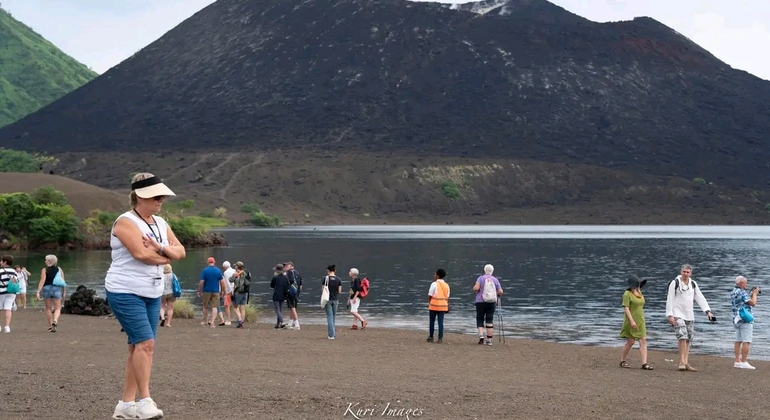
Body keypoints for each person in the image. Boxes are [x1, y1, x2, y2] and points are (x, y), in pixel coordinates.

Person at [105, 172, 186, 419]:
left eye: (162, 197)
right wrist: (166, 256)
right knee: (145, 344)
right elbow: (141, 254)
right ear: (140, 196)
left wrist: (161, 248)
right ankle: (145, 401)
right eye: (156, 197)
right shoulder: (125, 222)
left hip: (152, 292)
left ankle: (126, 405)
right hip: (124, 290)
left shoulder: (160, 223)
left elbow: (181, 251)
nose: (161, 201)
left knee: (137, 347)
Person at [665, 264, 715, 372]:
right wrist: (670, 315)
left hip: (689, 314)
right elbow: (670, 299)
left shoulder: (693, 284)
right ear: (681, 271)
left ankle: (686, 362)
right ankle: (681, 362)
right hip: (677, 313)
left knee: (688, 338)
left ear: (690, 273)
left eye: (687, 272)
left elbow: (700, 297)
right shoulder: (675, 283)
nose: (685, 274)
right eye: (684, 272)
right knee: (682, 337)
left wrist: (708, 312)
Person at [619, 275, 653, 370]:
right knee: (631, 341)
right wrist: (631, 321)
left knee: (643, 340)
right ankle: (623, 360)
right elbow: (626, 308)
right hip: (630, 320)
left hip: (640, 319)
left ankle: (644, 363)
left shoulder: (639, 292)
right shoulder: (627, 294)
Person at [731, 275, 759, 369]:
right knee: (746, 340)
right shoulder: (742, 292)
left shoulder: (734, 291)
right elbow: (753, 303)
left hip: (736, 318)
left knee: (738, 340)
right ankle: (744, 361)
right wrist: (755, 294)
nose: (746, 285)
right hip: (745, 319)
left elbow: (744, 301)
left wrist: (750, 296)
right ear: (742, 283)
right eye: (745, 283)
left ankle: (737, 361)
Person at [472, 264, 503, 346]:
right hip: (491, 302)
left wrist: (475, 290)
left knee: (480, 319)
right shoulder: (495, 280)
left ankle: (481, 336)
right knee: (489, 320)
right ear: (492, 271)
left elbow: (476, 288)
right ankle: (489, 340)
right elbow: (500, 291)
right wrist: (494, 293)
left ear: (484, 270)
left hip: (480, 302)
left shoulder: (480, 278)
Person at [36, 254, 66, 332]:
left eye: (46, 260)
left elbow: (42, 280)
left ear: (49, 261)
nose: (45, 261)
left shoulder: (44, 270)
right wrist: (64, 291)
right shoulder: (59, 269)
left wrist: (38, 291)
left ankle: (50, 326)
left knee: (48, 308)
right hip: (57, 288)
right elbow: (63, 281)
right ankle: (55, 321)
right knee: (57, 308)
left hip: (47, 288)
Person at [197, 257, 225, 328]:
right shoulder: (218, 271)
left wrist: (199, 290)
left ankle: (206, 321)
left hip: (206, 290)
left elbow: (202, 281)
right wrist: (222, 291)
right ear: (214, 262)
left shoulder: (205, 271)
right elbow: (222, 282)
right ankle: (212, 322)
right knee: (215, 307)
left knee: (205, 306)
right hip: (216, 291)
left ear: (208, 262)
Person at [427, 268, 449, 343]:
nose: (434, 275)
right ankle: (440, 338)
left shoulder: (434, 284)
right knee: (440, 322)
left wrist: (429, 302)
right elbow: (447, 297)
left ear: (437, 275)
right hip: (443, 306)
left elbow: (430, 295)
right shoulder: (446, 285)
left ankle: (431, 336)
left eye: (435, 274)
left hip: (433, 305)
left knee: (432, 321)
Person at [322, 265, 343, 339]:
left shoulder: (326, 278)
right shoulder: (338, 279)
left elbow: (323, 289)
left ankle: (331, 335)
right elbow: (339, 291)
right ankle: (332, 333)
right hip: (336, 299)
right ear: (335, 270)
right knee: (333, 317)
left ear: (328, 270)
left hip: (327, 300)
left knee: (329, 317)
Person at [0, 255, 18, 333]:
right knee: (8, 308)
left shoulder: (0, 271)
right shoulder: (14, 271)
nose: (0, 262)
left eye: (1, 261)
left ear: (5, 262)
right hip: (11, 292)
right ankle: (7, 327)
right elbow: (15, 281)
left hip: (1, 291)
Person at [270, 264, 290, 329]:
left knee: (277, 310)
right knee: (280, 309)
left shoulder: (276, 277)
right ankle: (278, 324)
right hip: (283, 295)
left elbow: (272, 285)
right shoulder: (286, 278)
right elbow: (287, 286)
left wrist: (273, 277)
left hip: (276, 295)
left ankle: (282, 321)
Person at [231, 262, 248, 328]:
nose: (235, 267)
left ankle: (240, 320)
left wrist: (234, 276)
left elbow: (230, 280)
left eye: (235, 266)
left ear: (238, 267)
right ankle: (242, 323)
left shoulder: (236, 274)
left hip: (238, 292)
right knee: (243, 308)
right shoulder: (247, 273)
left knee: (235, 307)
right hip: (245, 292)